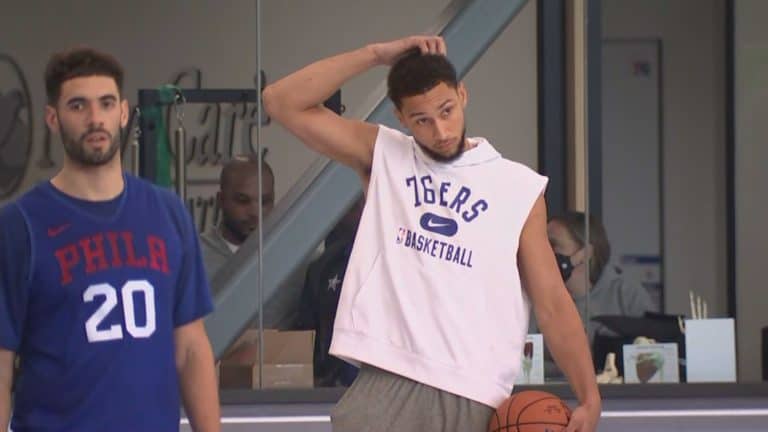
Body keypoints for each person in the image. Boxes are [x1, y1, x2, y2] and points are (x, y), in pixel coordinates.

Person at [263, 35, 601, 431]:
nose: (440, 130)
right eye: (422, 119)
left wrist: (589, 394)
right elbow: (280, 101)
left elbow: (552, 302)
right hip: (387, 378)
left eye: (447, 110)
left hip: (475, 389)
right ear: (401, 117)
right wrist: (375, 55)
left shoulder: (518, 187)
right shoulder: (385, 154)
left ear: (463, 95)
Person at [0, 47, 220, 432]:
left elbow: (190, 348)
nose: (95, 118)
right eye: (78, 106)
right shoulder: (20, 225)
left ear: (123, 112)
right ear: (52, 118)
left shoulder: (168, 213)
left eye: (105, 103)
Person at [297, 198, 364, 387]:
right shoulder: (323, 267)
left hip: (385, 389)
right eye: (356, 203)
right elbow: (306, 338)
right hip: (331, 391)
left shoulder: (404, 263)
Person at [200, 153, 275, 288]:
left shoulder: (292, 255)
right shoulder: (193, 257)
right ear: (221, 200)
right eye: (243, 201)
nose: (255, 213)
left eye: (264, 202)